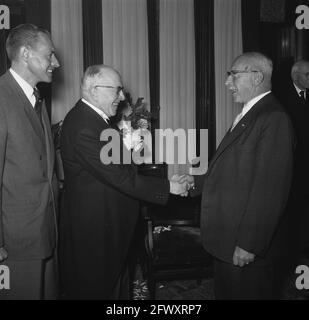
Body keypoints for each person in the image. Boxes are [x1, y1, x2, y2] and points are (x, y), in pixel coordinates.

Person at [59, 64, 187, 299]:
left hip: (108, 230)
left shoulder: (97, 121)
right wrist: (169, 187)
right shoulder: (84, 126)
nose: (121, 97)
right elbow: (119, 177)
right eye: (116, 90)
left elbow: (120, 170)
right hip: (96, 235)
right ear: (94, 89)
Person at [187, 52, 294, 299]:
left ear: (256, 77)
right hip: (229, 238)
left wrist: (249, 243)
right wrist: (196, 182)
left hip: (244, 245)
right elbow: (233, 168)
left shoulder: (273, 117)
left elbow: (270, 189)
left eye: (233, 75)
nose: (227, 83)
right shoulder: (251, 113)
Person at [0, 24, 60, 299]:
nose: (55, 63)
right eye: (49, 55)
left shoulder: (37, 98)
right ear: (25, 53)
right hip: (15, 242)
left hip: (44, 233)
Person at [275, 60, 309, 258]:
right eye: (307, 75)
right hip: (292, 164)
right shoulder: (281, 99)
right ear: (296, 76)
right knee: (293, 207)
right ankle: (293, 248)